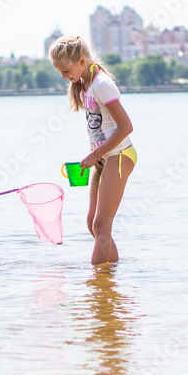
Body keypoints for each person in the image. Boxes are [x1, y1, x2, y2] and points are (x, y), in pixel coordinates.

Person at [49, 36, 136, 265]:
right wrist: (93, 154)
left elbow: (125, 127)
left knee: (101, 225)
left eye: (66, 70)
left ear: (81, 61)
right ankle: (110, 275)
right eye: (60, 73)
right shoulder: (84, 85)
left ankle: (97, 285)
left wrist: (95, 155)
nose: (64, 77)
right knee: (93, 224)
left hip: (119, 156)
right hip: (103, 159)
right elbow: (97, 127)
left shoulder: (101, 85)